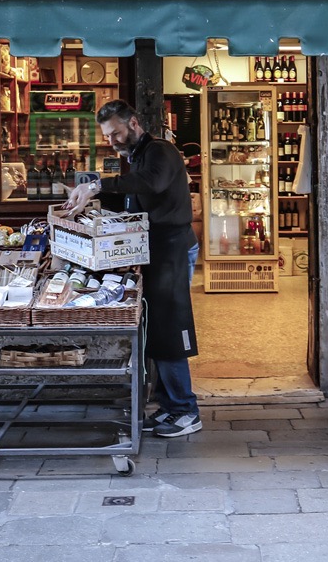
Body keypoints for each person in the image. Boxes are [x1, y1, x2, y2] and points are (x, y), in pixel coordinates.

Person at [64, 100, 202, 438]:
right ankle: (169, 404)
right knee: (157, 328)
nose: (112, 141)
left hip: (172, 247)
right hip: (154, 249)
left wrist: (97, 185)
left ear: (134, 123)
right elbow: (133, 197)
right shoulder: (137, 157)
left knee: (170, 327)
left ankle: (186, 409)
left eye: (116, 134)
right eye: (107, 137)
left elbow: (150, 184)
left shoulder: (161, 152)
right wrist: (88, 198)